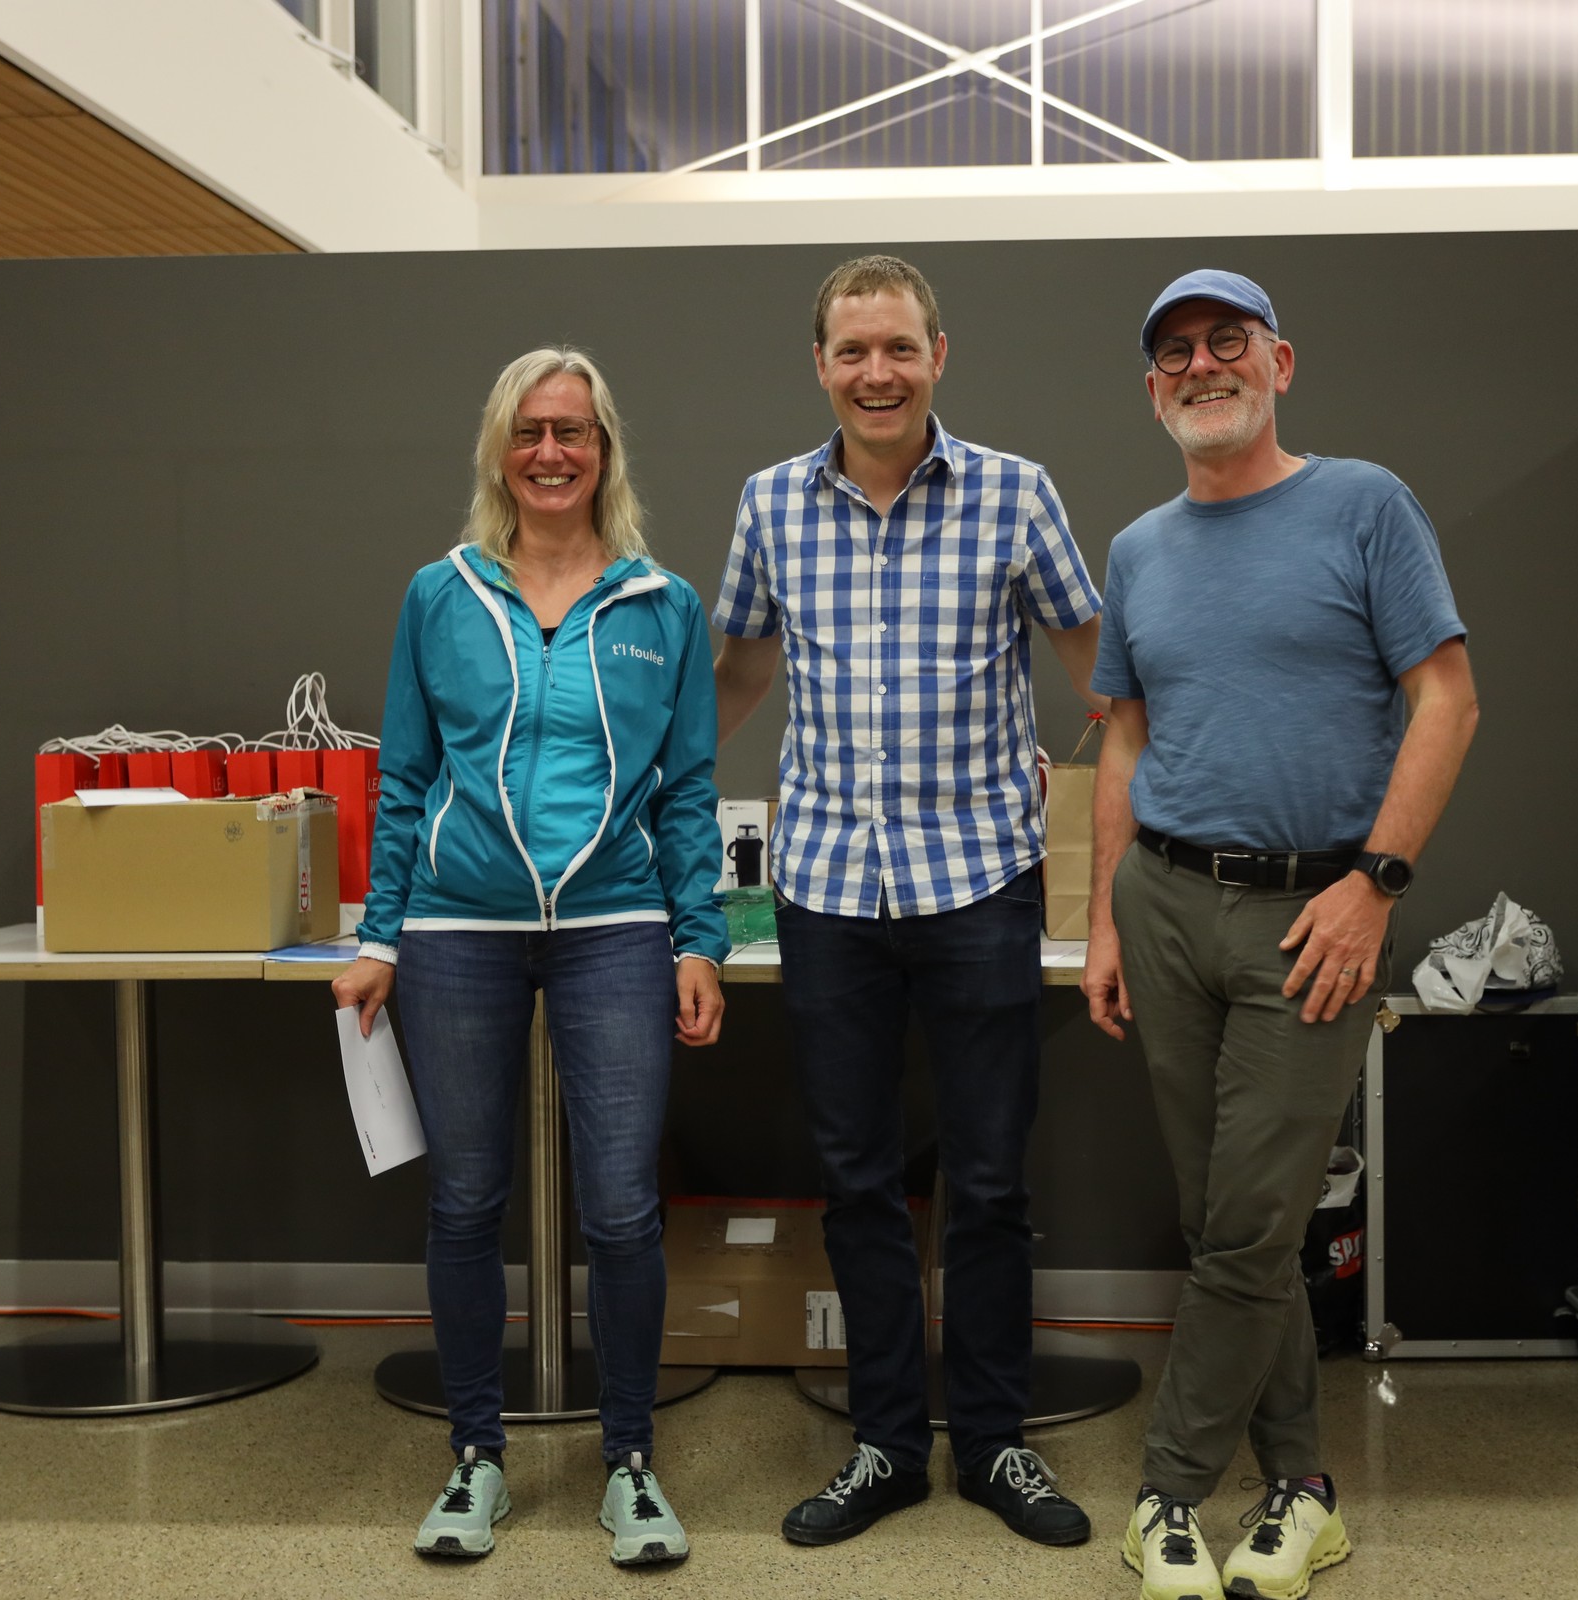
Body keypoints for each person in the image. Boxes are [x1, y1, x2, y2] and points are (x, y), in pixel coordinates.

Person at [1082, 271, 1480, 1600]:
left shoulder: (1365, 506)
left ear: (1279, 362)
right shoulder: (1139, 549)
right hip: (1164, 906)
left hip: (1314, 917)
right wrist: (1105, 920)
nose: (1202, 366)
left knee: (1250, 1227)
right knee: (1227, 1226)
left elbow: (1448, 699)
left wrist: (1379, 883)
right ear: (1153, 388)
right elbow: (1123, 741)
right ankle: (1304, 1490)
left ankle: (1167, 1493)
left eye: (1226, 343)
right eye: (1176, 353)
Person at [711, 255, 1106, 1550]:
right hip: (828, 890)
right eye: (852, 351)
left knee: (988, 1182)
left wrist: (1146, 792)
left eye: (898, 348)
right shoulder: (771, 504)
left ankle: (991, 1442)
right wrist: (639, 779)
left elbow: (1100, 666)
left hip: (980, 882)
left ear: (940, 354)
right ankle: (885, 1443)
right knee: (859, 1184)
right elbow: (739, 674)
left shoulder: (1015, 494)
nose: (875, 373)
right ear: (820, 366)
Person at [332, 347, 729, 1567]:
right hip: (459, 928)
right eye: (530, 431)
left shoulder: (661, 604)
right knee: (465, 1202)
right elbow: (405, 777)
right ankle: (475, 1457)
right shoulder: (439, 594)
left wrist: (699, 938)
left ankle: (630, 1463)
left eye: (574, 431)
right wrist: (380, 934)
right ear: (499, 451)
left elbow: (687, 789)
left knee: (622, 1210)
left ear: (604, 451)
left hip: (618, 926)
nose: (552, 452)